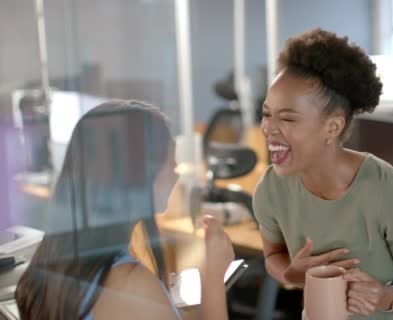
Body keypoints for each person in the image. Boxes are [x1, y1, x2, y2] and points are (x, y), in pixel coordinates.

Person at [253, 29, 393, 319]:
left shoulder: (384, 188)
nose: (268, 128)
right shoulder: (271, 188)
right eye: (267, 114)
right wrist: (293, 273)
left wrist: (384, 296)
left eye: (287, 118)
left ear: (332, 127)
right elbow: (273, 257)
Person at [15, 100, 234, 320]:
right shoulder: (128, 285)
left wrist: (161, 302)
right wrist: (213, 277)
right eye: (171, 162)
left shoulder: (55, 267)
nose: (176, 173)